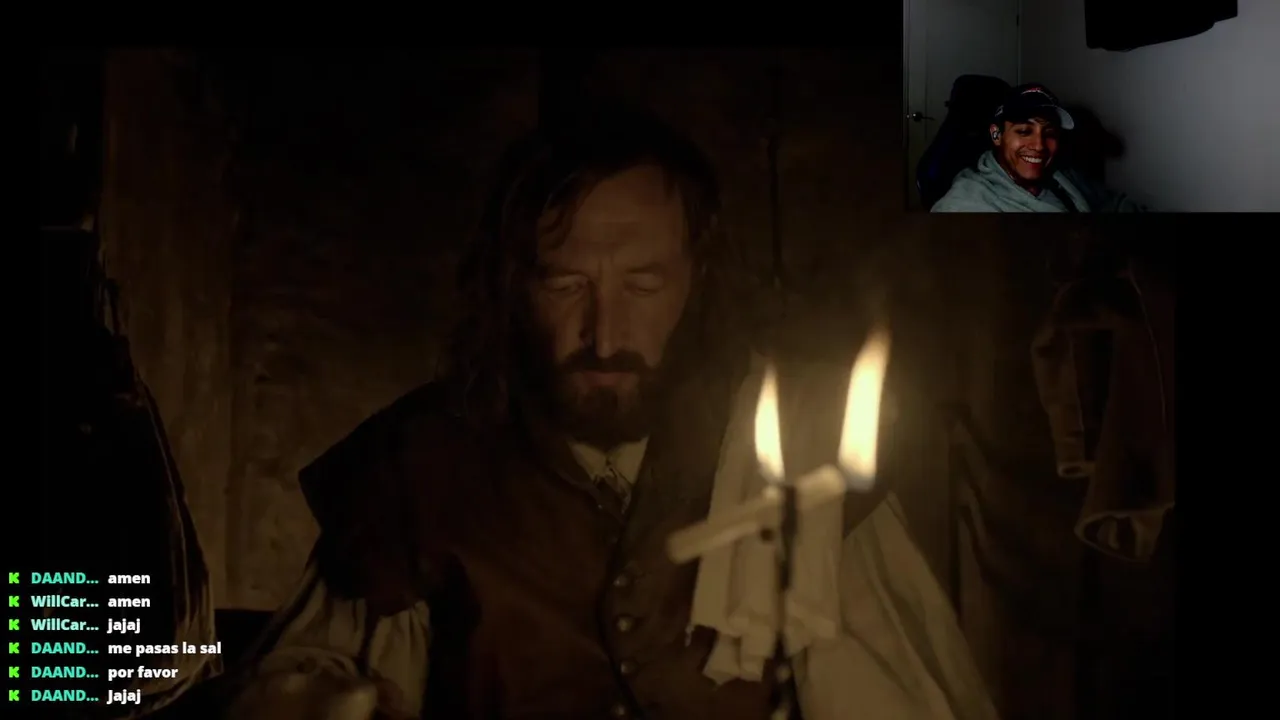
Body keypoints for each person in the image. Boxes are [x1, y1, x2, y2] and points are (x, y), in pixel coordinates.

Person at [215, 104, 997, 720]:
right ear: (511, 287)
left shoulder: (804, 455)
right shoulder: (414, 471)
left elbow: (894, 698)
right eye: (565, 286)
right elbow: (308, 683)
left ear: (697, 280)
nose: (606, 335)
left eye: (644, 285)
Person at [931, 83, 1144, 213]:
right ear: (997, 135)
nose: (1039, 145)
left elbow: (1113, 203)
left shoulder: (1062, 176)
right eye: (1024, 131)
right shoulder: (965, 204)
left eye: (1049, 133)